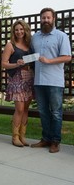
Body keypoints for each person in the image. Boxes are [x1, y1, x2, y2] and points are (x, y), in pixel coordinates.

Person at [30, 8, 72, 153]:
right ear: (40, 19)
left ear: (53, 19)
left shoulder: (61, 36)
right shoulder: (35, 37)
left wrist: (49, 60)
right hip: (39, 81)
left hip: (54, 81)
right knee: (43, 112)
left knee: (55, 112)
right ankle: (46, 139)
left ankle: (55, 141)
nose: (45, 20)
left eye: (48, 18)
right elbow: (31, 56)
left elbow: (67, 57)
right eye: (43, 18)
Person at [1, 20, 34, 147]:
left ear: (25, 30)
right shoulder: (10, 45)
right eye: (16, 30)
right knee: (19, 109)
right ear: (13, 32)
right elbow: (4, 63)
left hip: (29, 77)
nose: (19, 32)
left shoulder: (29, 45)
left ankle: (22, 136)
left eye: (21, 29)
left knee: (25, 108)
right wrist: (16, 64)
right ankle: (15, 137)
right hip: (17, 78)